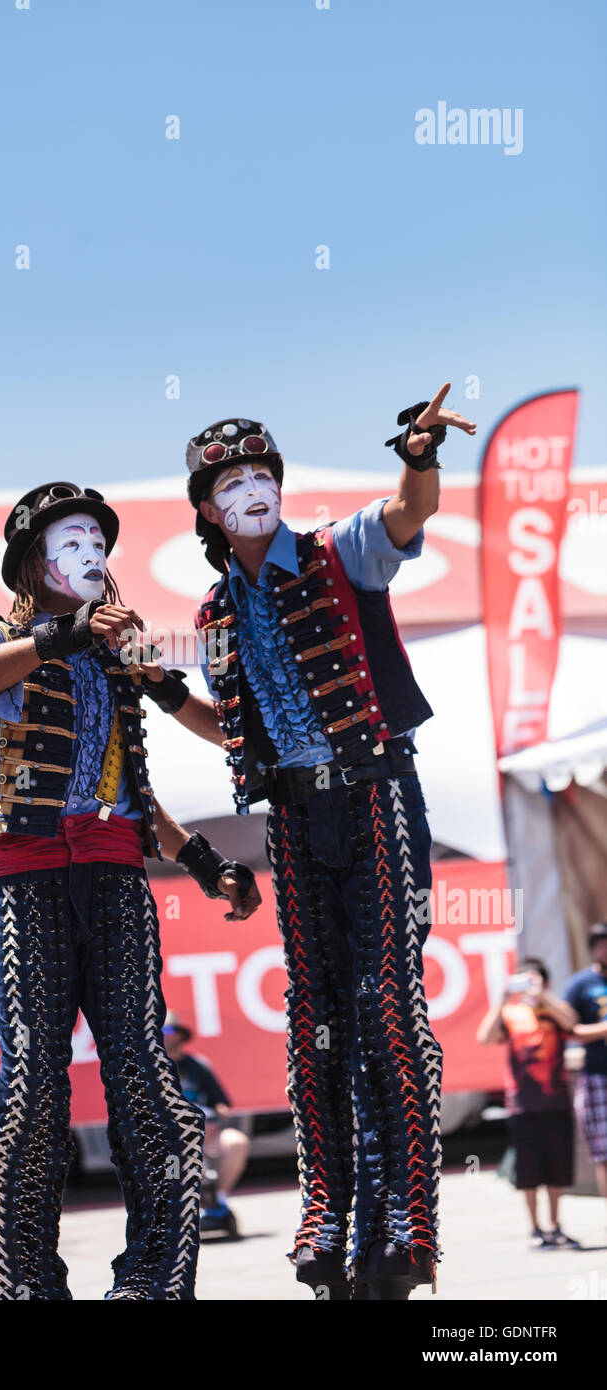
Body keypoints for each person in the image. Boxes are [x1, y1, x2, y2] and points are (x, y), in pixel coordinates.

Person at [137, 387, 477, 1299]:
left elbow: (409, 514)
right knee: (314, 1016)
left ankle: (409, 1213)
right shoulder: (213, 612)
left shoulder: (339, 551)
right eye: (231, 480)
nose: (252, 489)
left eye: (262, 473)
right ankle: (323, 1202)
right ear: (207, 509)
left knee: (386, 1001)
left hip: (371, 792)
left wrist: (417, 455)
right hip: (288, 814)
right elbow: (236, 731)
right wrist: (167, 694)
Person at [0, 480, 260, 1301]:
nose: (93, 556)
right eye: (73, 543)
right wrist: (65, 634)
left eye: (99, 544)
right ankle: (25, 1287)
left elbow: (128, 787)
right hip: (32, 881)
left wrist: (199, 859)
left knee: (144, 1077)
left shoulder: (119, 655)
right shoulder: (1, 634)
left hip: (118, 877)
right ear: (34, 561)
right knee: (33, 1084)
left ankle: (155, 1281)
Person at [477, 957, 580, 1248]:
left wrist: (543, 995)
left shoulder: (554, 1009)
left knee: (558, 1167)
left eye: (534, 979)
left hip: (556, 1101)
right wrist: (501, 1000)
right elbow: (485, 1037)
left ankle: (556, 1224)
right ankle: (535, 1227)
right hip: (522, 1104)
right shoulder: (511, 1013)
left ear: (546, 982)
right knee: (529, 1170)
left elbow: (571, 1023)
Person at [163, 1012, 249, 1235]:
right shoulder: (150, 1070)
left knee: (236, 1142)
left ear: (180, 1035)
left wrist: (214, 1124)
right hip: (169, 1139)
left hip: (207, 1133)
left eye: (169, 1031)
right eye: (160, 1032)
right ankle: (176, 1210)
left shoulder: (198, 1066)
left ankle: (216, 1203)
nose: (165, 1036)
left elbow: (222, 1105)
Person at [564, 923, 607, 1217]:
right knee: (604, 1154)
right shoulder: (580, 984)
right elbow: (569, 1029)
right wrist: (603, 1030)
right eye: (600, 944)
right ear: (593, 949)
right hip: (597, 1077)